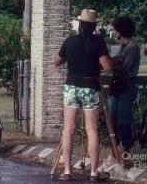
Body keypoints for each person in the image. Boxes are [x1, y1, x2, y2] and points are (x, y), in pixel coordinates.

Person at [54, 9, 112, 182]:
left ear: (80, 24)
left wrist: (69, 57)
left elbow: (56, 61)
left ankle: (67, 171)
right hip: (90, 87)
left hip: (71, 86)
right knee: (92, 129)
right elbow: (107, 67)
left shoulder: (70, 41)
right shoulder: (98, 42)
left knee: (68, 129)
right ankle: (94, 172)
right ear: (94, 26)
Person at [106, 16, 140, 165]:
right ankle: (114, 154)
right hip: (118, 86)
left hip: (126, 86)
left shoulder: (132, 47)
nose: (113, 32)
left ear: (121, 30)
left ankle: (124, 156)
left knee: (123, 121)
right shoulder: (123, 46)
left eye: (115, 29)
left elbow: (123, 69)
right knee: (112, 119)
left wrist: (110, 64)